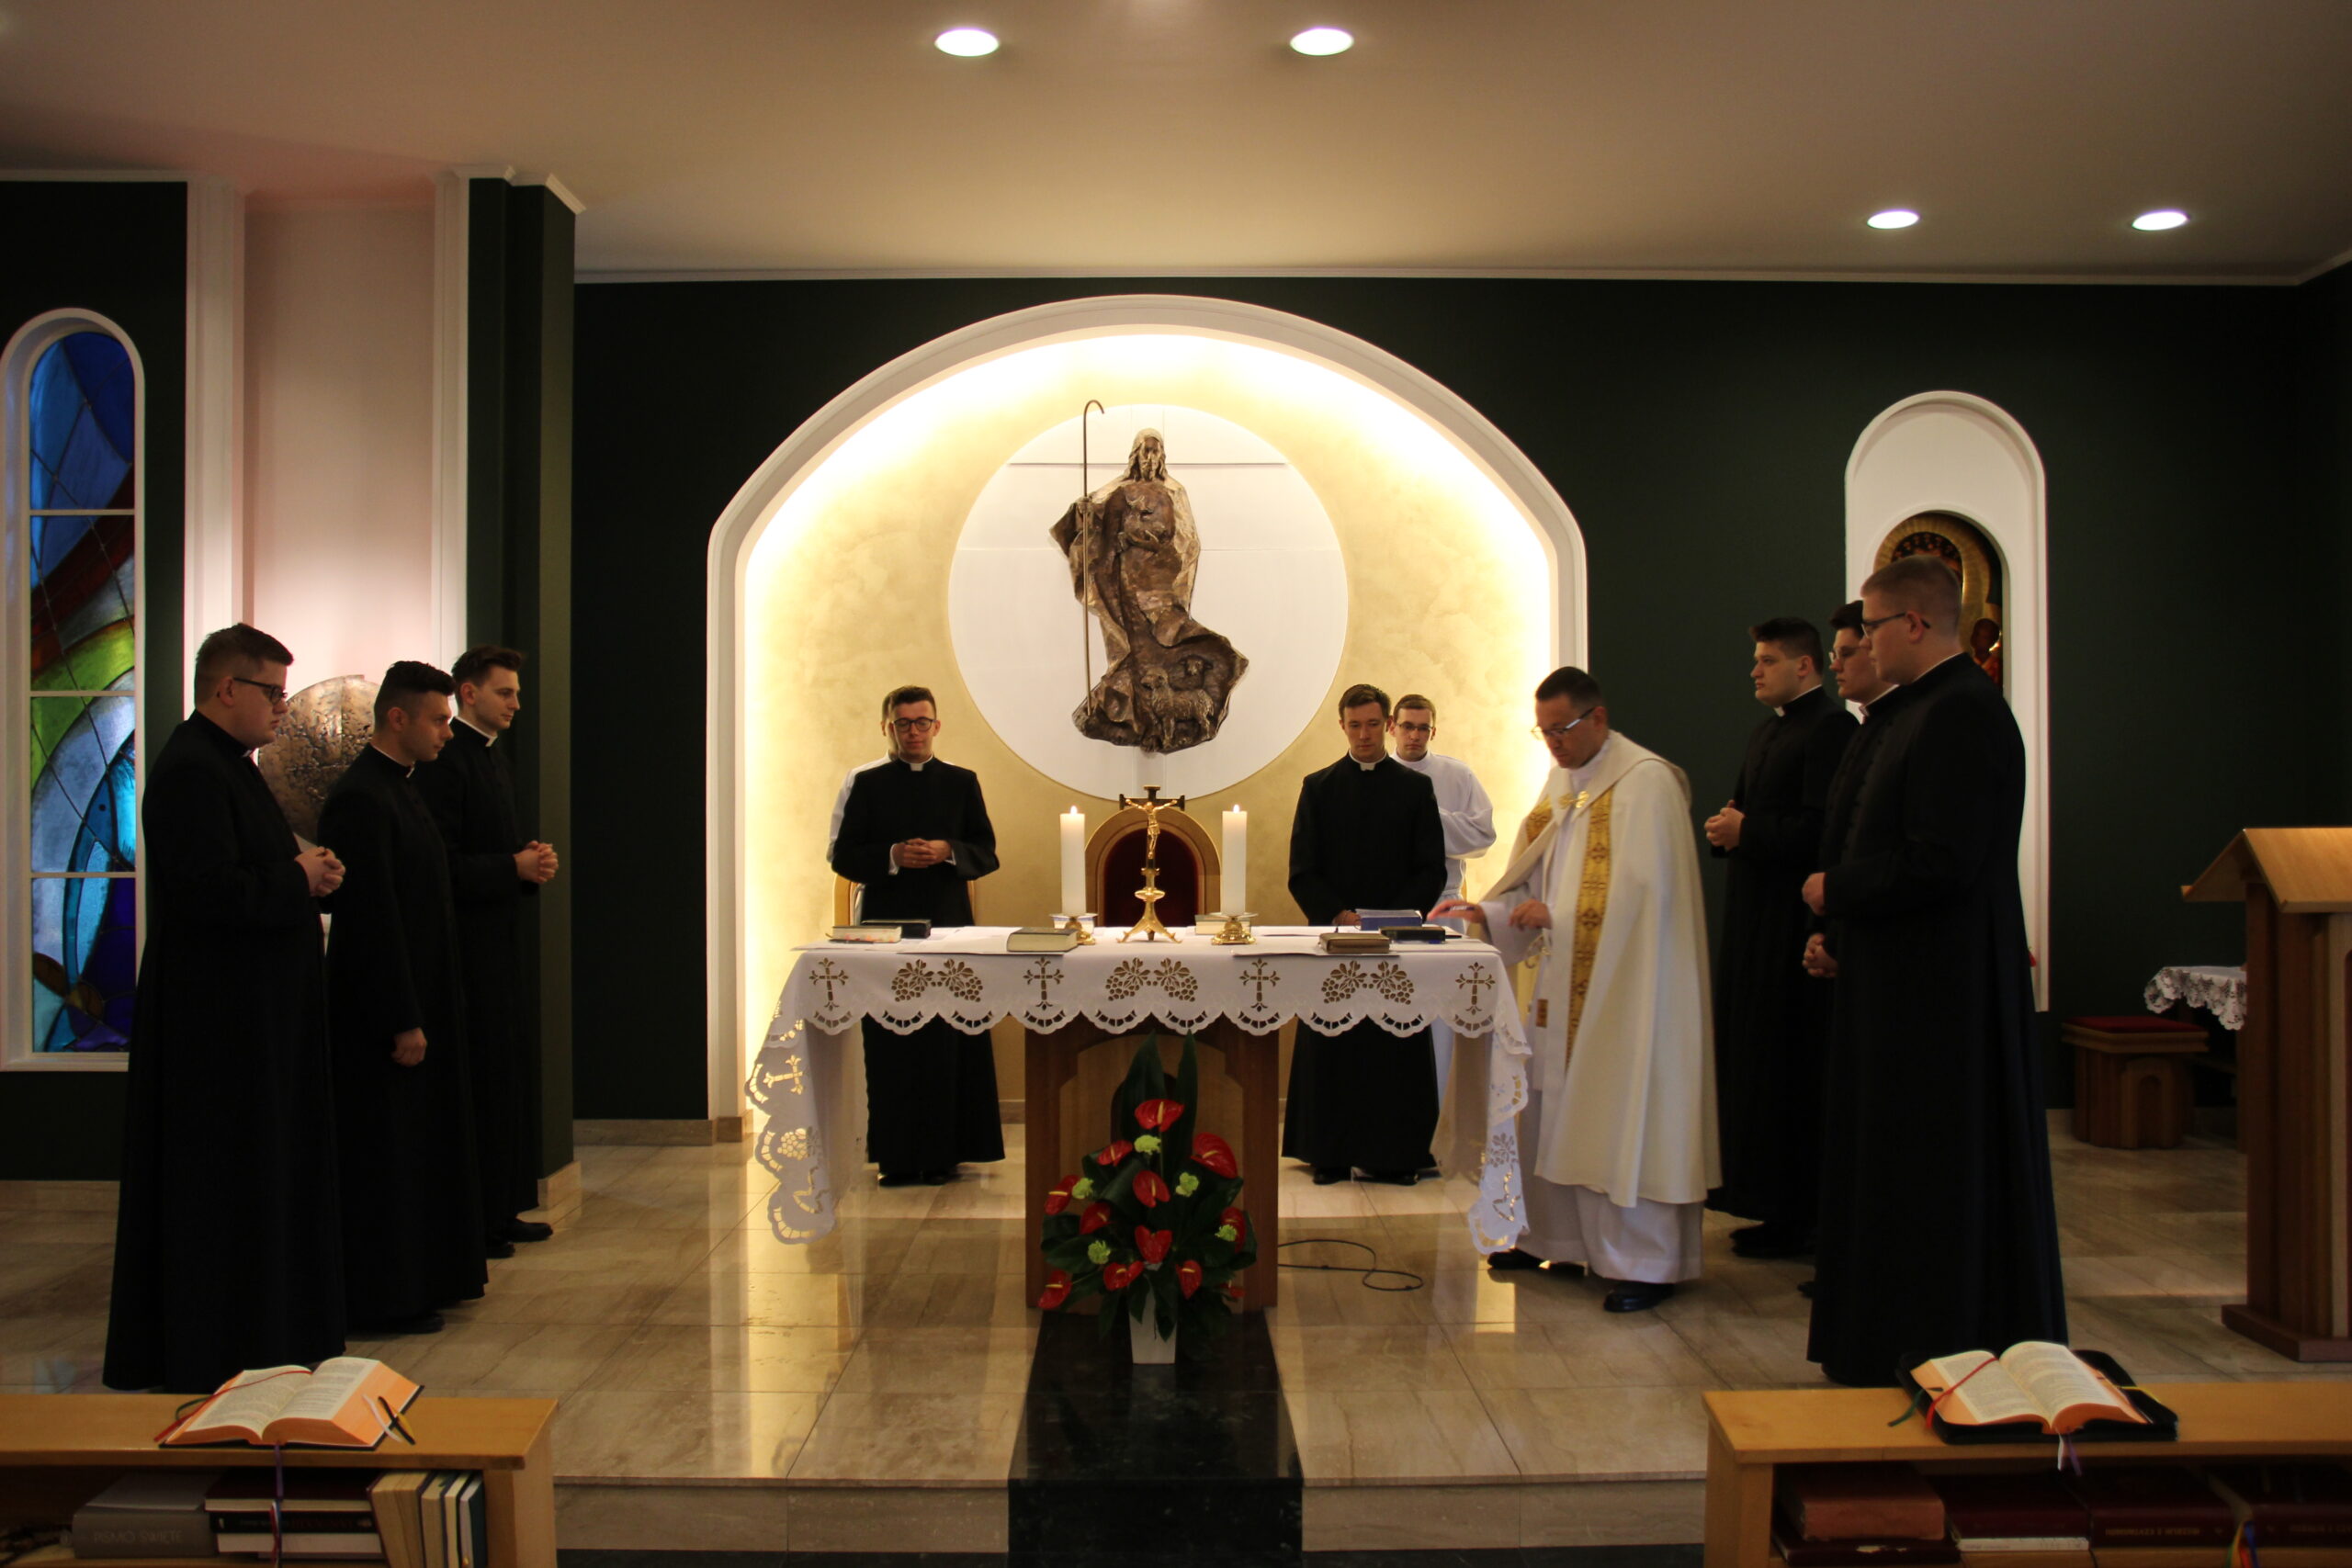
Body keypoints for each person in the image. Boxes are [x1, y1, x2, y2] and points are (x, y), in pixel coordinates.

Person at [1802, 557, 2064, 1385]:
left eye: (1873, 629)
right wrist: (1841, 930)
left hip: (1943, 991)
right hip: (1897, 977)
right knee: (1888, 1164)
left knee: (1932, 1169)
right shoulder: (1913, 709)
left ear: (1913, 623)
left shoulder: (1962, 712)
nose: (1865, 645)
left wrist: (1837, 890)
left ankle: (1933, 1336)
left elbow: (1943, 859)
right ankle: (1881, 1336)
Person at [103, 626, 347, 1392]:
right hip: (217, 1025)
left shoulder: (228, 765)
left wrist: (305, 873)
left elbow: (250, 870)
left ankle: (267, 1327)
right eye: (272, 692)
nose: (282, 707)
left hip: (253, 1016)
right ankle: (219, 1340)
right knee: (219, 1187)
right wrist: (297, 877)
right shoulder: (190, 772)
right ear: (226, 688)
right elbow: (207, 892)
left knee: (262, 1179)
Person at [1434, 668, 1715, 1312]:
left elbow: (1651, 902)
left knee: (1622, 1109)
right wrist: (1493, 912)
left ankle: (1643, 1262)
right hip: (1557, 984)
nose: (1554, 744)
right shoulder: (1563, 783)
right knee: (1543, 1106)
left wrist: (1556, 916)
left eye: (1561, 729)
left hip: (1631, 995)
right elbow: (1535, 878)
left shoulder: (1646, 783)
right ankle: (1552, 1238)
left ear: (1597, 718)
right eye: (1544, 732)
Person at [321, 660, 486, 1335]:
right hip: (384, 1012)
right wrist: (402, 1017)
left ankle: (427, 1279)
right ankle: (385, 1296)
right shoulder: (361, 798)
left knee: (419, 1148)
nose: (448, 732)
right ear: (398, 718)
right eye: (439, 720)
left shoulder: (403, 788)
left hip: (423, 993)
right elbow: (372, 918)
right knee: (386, 1155)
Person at [1702, 618, 1854, 1259]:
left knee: (1792, 1066)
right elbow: (1750, 810)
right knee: (1756, 1061)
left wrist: (1749, 832)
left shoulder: (1831, 729)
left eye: (1767, 660)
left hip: (1795, 922)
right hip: (1753, 918)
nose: (1755, 671)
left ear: (1804, 665)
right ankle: (1768, 1203)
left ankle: (1802, 1212)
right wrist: (1728, 829)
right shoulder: (1768, 730)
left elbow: (1826, 830)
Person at [413, 646, 559, 1258]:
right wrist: (511, 866)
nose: (516, 704)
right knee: (479, 1080)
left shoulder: (493, 757)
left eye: (517, 693)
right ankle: (477, 1219)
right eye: (505, 692)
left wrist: (527, 862)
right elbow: (439, 865)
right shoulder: (447, 764)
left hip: (499, 942)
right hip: (465, 950)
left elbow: (492, 847)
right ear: (468, 694)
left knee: (503, 1077)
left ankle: (501, 1208)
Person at [828, 685, 1004, 1186]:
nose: (913, 732)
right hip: (887, 928)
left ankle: (947, 1155)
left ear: (936, 726)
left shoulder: (961, 782)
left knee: (948, 1039)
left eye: (922, 722)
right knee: (893, 1041)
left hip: (948, 925)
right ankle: (898, 1159)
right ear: (887, 728)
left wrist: (949, 850)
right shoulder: (865, 784)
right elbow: (842, 856)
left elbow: (986, 851)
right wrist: (892, 856)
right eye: (902, 723)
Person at [1284, 683, 1447, 1185]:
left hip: (1395, 939)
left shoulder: (1415, 789)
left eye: (1373, 724)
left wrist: (1394, 916)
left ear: (1388, 725)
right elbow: (1302, 868)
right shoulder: (1318, 787)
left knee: (1393, 1045)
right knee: (1333, 1043)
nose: (1364, 735)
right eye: (1354, 725)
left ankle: (1394, 1156)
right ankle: (1328, 1154)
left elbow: (1430, 867)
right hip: (1336, 937)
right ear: (1342, 726)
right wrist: (1339, 913)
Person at [1388, 694, 1496, 901]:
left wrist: (1428, 817)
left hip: (1444, 899)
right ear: (1392, 727)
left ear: (1433, 732)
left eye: (1423, 728)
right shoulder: (1374, 777)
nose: (1415, 736)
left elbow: (1483, 836)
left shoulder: (1458, 774)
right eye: (1407, 726)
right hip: (1389, 899)